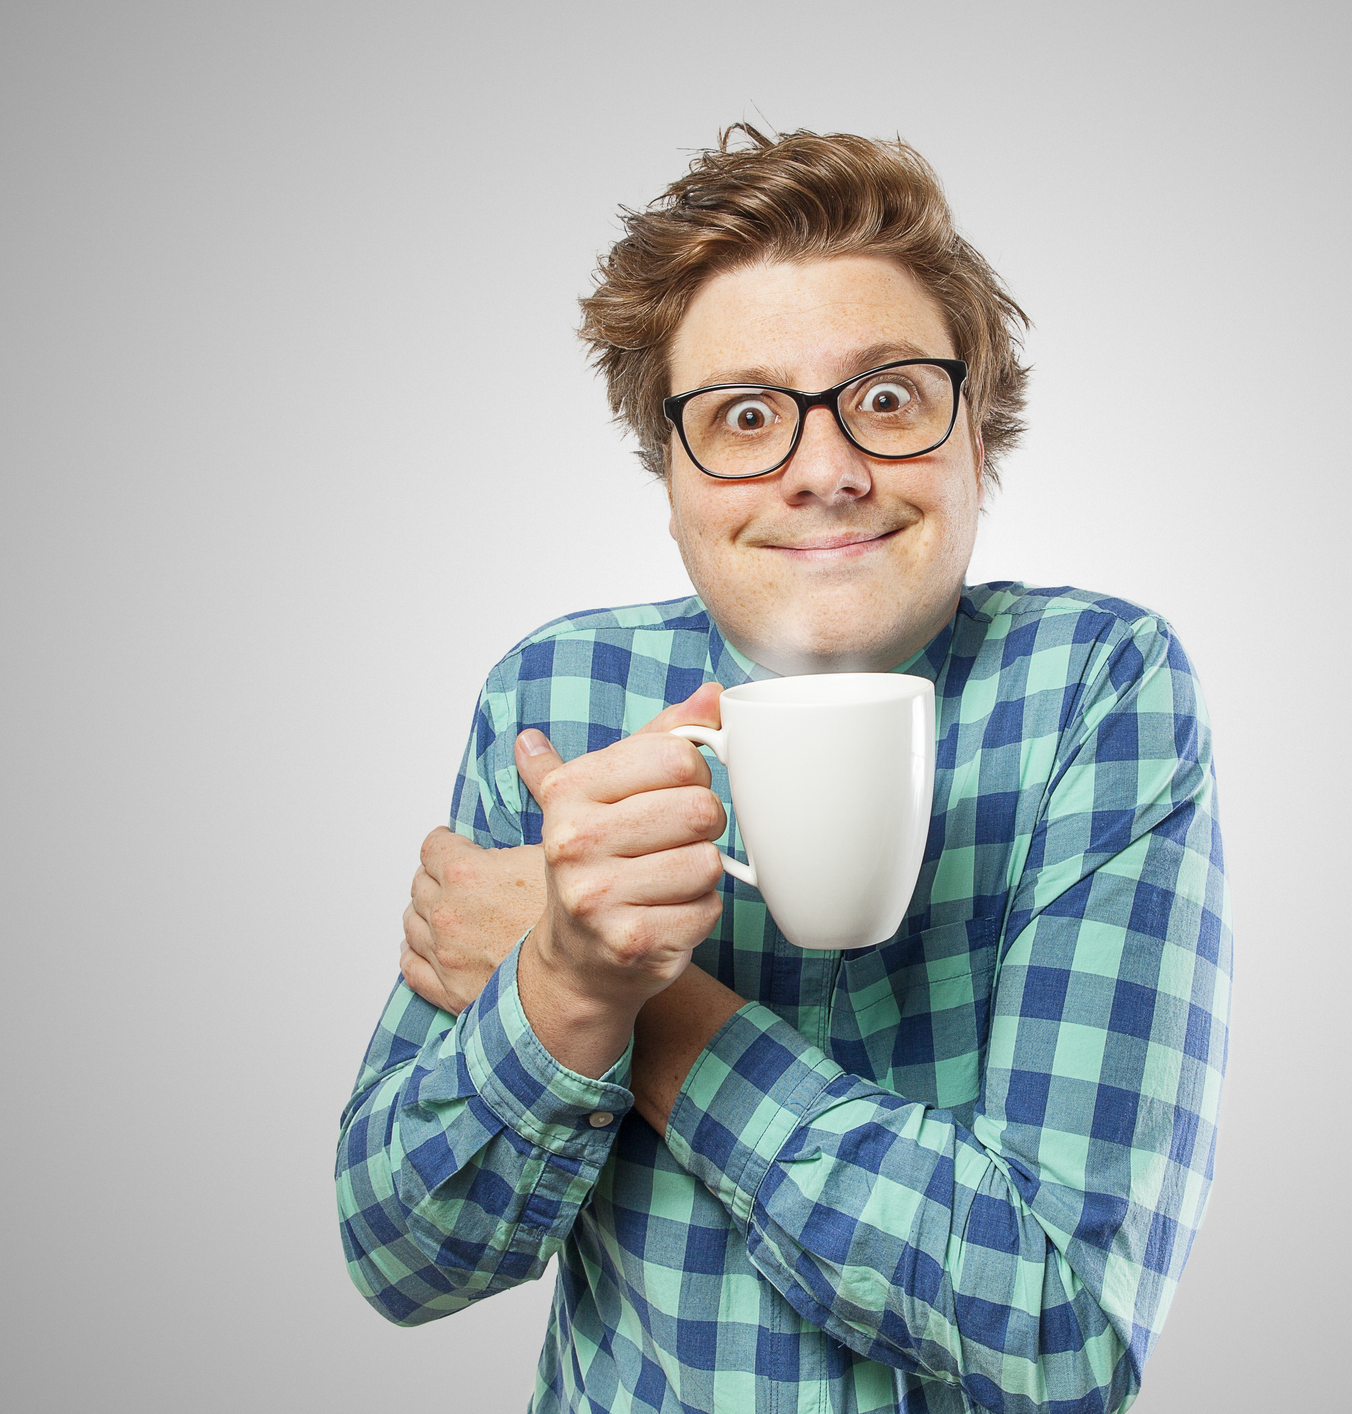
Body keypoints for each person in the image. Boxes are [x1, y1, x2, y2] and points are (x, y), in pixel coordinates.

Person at [336, 126, 1231, 1414]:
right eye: (746, 416)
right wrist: (561, 991)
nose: (824, 469)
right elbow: (398, 1257)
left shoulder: (1099, 683)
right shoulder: (555, 701)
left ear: (980, 436)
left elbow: (1061, 1330)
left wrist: (652, 1010)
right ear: (672, 477)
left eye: (887, 397)